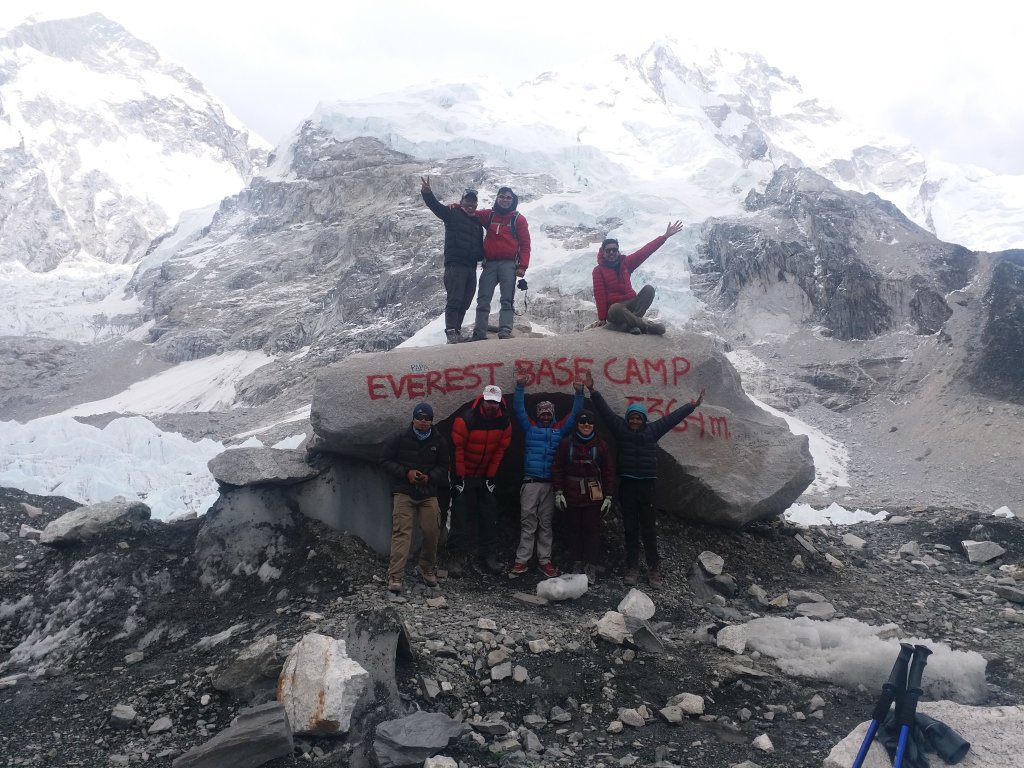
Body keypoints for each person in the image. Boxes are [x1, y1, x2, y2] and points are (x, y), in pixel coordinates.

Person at [584, 371, 705, 589]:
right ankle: (631, 567)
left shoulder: (653, 430)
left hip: (647, 486)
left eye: (638, 418)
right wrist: (592, 390)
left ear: (644, 420)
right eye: (632, 417)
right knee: (630, 528)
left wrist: (692, 406)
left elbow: (672, 418)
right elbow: (605, 413)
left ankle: (653, 568)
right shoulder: (620, 429)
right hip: (628, 485)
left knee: (648, 528)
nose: (635, 421)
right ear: (628, 419)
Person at [508, 370, 586, 579]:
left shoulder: (559, 431)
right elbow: (519, 410)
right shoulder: (530, 428)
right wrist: (520, 387)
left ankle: (545, 560)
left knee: (545, 523)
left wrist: (579, 393)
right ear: (537, 415)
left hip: (551, 484)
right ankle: (521, 560)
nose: (545, 416)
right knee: (527, 522)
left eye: (548, 413)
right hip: (531, 482)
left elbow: (575, 415)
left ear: (552, 415)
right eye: (542, 413)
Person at [379, 402, 449, 593]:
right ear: (413, 419)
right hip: (404, 491)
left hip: (428, 493)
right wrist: (406, 473)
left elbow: (444, 466)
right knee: (402, 532)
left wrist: (430, 477)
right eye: (420, 418)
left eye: (427, 418)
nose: (423, 422)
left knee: (432, 530)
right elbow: (384, 460)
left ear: (432, 421)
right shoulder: (399, 438)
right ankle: (395, 575)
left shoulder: (438, 441)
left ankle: (426, 567)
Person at [448, 384, 513, 575]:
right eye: (488, 401)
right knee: (459, 514)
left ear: (500, 402)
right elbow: (457, 449)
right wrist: (459, 477)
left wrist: (491, 477)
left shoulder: (504, 421)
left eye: (495, 402)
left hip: (484, 474)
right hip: (464, 472)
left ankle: (488, 555)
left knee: (490, 512)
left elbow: (500, 450)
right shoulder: (466, 419)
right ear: (482, 400)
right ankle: (456, 556)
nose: (491, 405)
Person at [551, 410, 615, 586]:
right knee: (574, 529)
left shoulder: (601, 446)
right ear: (577, 424)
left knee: (591, 530)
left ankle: (590, 565)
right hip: (572, 492)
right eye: (582, 422)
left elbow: (609, 471)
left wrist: (609, 495)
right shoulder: (566, 444)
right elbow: (558, 468)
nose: (586, 425)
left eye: (590, 423)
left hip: (593, 494)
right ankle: (577, 562)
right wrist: (558, 492)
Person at [420, 177, 485, 343]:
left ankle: (457, 331)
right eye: (467, 200)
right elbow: (436, 208)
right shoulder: (452, 213)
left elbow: (479, 245)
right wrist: (427, 193)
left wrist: (483, 257)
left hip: (471, 267)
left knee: (465, 301)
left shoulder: (477, 222)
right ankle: (451, 333)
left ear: (476, 204)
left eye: (473, 201)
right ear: (462, 201)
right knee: (455, 299)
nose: (470, 204)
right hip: (455, 265)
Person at [592, 221, 684, 335]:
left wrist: (665, 236)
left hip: (631, 304)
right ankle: (646, 327)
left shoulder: (625, 263)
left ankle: (630, 325)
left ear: (618, 251)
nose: (611, 252)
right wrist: (602, 318)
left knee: (649, 289)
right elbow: (599, 295)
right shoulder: (598, 271)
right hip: (615, 311)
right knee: (615, 308)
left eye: (614, 250)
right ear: (603, 252)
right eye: (608, 250)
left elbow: (645, 252)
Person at [470, 187, 531, 341]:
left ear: (513, 200)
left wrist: (523, 266)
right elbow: (471, 212)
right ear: (497, 198)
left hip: (509, 264)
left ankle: (504, 331)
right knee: (483, 298)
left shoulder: (519, 219)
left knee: (506, 299)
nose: (505, 200)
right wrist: (457, 206)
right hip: (490, 263)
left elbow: (525, 245)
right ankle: (479, 333)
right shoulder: (489, 215)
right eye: (502, 197)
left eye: (508, 198)